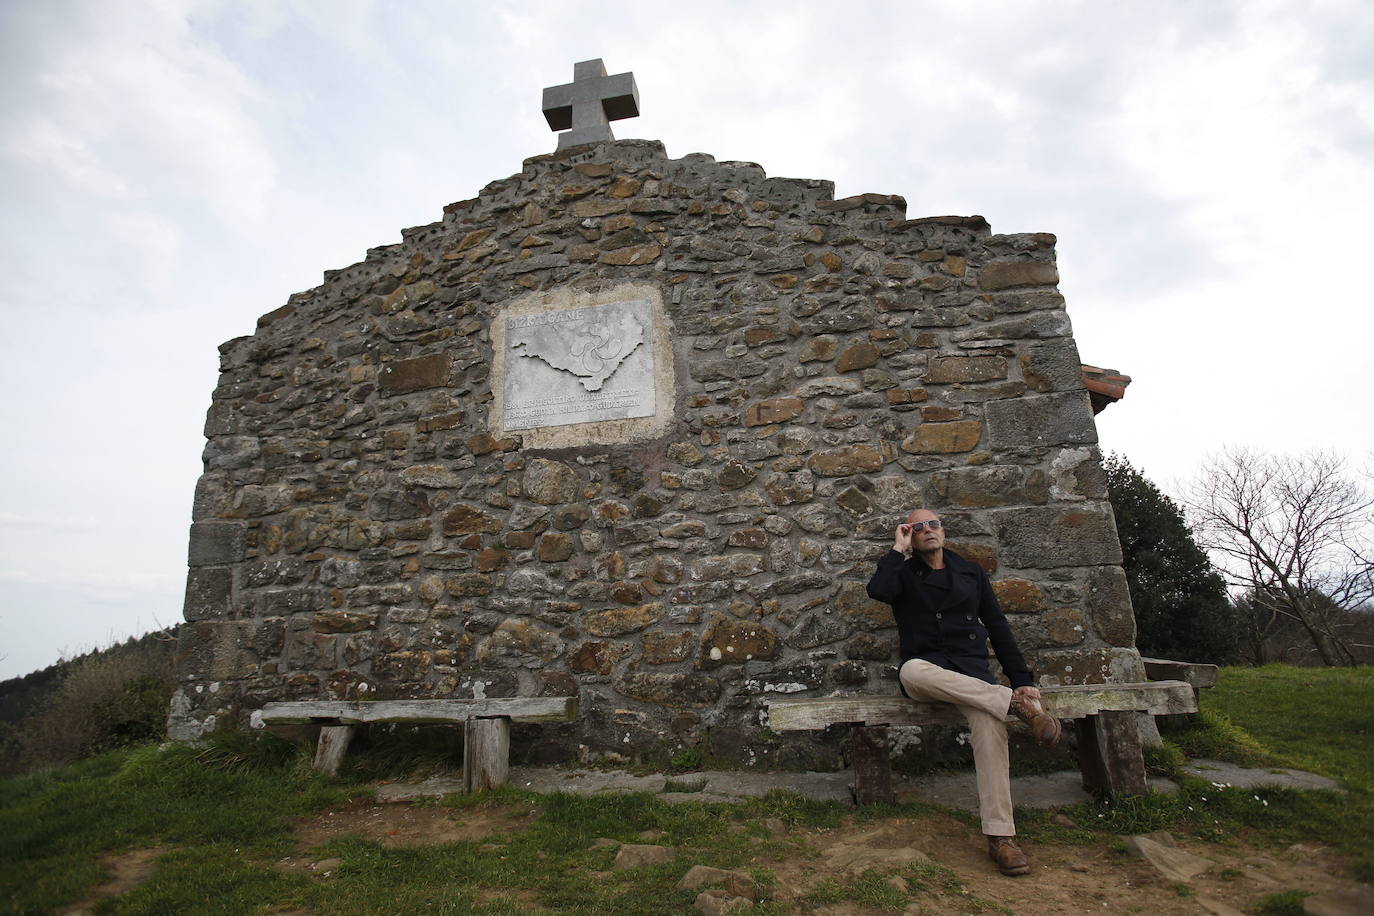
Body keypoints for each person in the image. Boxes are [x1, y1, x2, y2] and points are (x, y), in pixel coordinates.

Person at [866, 508, 1062, 877]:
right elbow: (878, 590)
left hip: (971, 678)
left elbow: (997, 625)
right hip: (928, 675)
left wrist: (1020, 676)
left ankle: (1001, 837)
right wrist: (897, 547)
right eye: (918, 527)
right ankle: (1015, 706)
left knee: (990, 727)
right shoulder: (904, 574)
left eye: (933, 524)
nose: (927, 531)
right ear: (911, 534)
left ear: (943, 530)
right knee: (911, 669)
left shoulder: (971, 572)